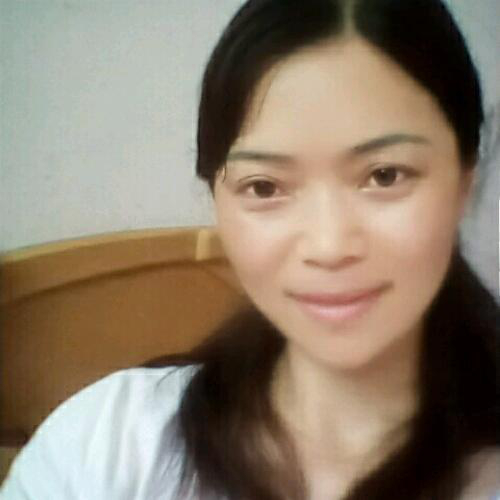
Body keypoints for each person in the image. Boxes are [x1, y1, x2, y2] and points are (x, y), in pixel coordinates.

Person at [1, 0, 499, 498]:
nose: (328, 247)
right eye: (264, 187)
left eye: (385, 175)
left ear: (465, 180)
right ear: (216, 199)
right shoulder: (105, 447)